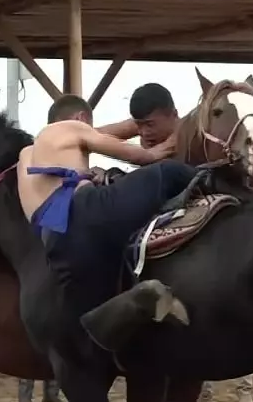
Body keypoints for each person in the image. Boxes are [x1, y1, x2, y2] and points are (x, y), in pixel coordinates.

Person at [20, 94, 193, 353]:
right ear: (80, 119)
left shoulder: (29, 152)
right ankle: (222, 179)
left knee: (99, 317)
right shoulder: (72, 128)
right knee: (165, 172)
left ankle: (138, 301)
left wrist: (138, 124)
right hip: (81, 211)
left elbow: (104, 133)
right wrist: (172, 139)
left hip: (56, 240)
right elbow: (142, 157)